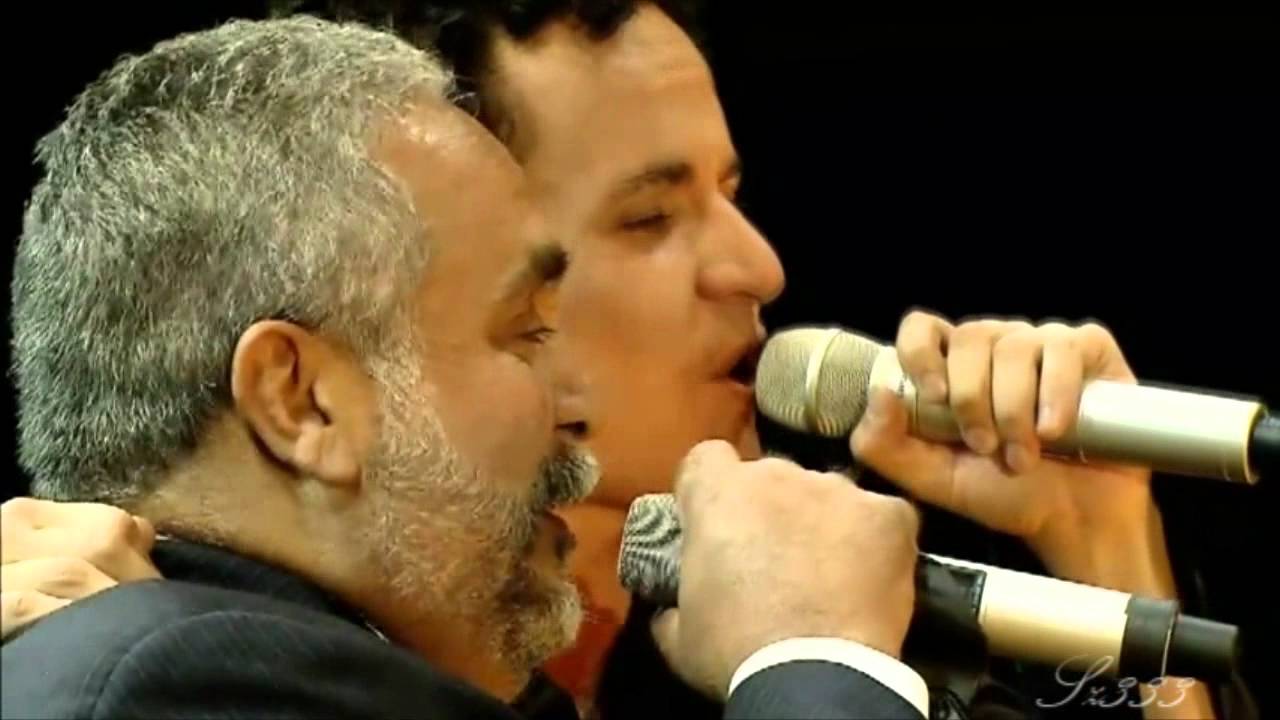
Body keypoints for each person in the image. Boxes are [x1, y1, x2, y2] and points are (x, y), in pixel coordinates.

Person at [1, 2, 1220, 719]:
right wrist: (815, 661)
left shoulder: (643, 665)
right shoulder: (187, 672)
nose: (758, 267)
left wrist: (1099, 538)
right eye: (645, 218)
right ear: (303, 396)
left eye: (731, 191)